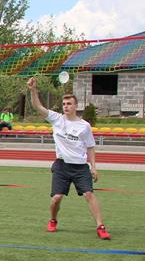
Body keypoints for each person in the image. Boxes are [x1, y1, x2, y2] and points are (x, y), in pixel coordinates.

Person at [27, 77, 110, 239]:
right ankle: (53, 220)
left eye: (69, 104)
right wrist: (33, 90)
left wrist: (93, 167)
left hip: (80, 167)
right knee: (56, 198)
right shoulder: (56, 119)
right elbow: (37, 106)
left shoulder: (84, 126)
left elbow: (90, 147)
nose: (66, 106)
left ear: (76, 106)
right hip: (62, 166)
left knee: (89, 194)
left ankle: (101, 227)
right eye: (64, 104)